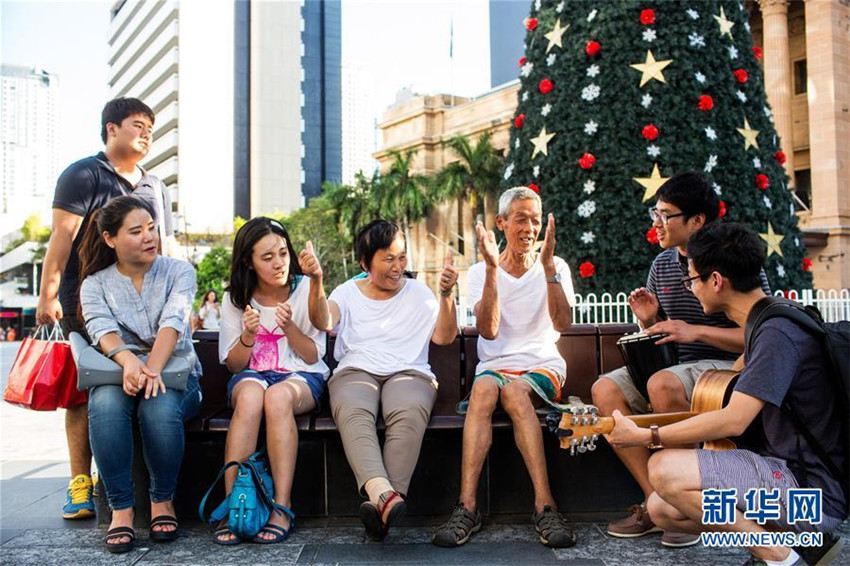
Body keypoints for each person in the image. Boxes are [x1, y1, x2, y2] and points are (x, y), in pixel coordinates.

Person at [608, 222, 848, 566]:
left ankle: (781, 558)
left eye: (692, 280)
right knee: (664, 509)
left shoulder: (776, 333)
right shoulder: (770, 319)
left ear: (717, 280)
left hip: (809, 496)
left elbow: (734, 420)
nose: (690, 289)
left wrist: (648, 435)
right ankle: (797, 543)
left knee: (663, 468)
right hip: (786, 480)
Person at [591, 172, 770, 547]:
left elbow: (761, 331)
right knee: (604, 388)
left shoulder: (731, 260)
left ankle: (682, 499)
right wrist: (650, 320)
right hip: (676, 363)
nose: (656, 223)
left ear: (697, 220)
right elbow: (666, 335)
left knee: (664, 382)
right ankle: (657, 502)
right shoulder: (662, 265)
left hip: (724, 367)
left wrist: (695, 330)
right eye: (654, 213)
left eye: (665, 214)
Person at [35, 97, 177, 520]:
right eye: (138, 125)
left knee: (141, 381)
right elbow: (61, 239)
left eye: (151, 128)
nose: (147, 134)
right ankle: (81, 481)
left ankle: (118, 475)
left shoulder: (156, 186)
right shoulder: (83, 174)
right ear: (111, 129)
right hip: (85, 300)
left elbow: (164, 246)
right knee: (86, 390)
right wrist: (48, 295)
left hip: (144, 303)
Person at [433, 186, 577, 549]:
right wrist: (495, 270)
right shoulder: (482, 271)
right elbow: (489, 330)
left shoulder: (555, 266)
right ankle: (467, 507)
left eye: (535, 219)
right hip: (496, 364)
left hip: (542, 364)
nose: (529, 228)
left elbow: (561, 324)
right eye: (520, 219)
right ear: (501, 223)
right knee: (483, 391)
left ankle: (545, 505)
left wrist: (547, 270)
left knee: (514, 393)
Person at [301, 219, 459, 540]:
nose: (397, 267)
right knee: (354, 410)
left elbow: (444, 336)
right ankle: (386, 497)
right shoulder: (346, 292)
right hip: (356, 372)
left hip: (409, 372)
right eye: (388, 258)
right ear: (365, 262)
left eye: (401, 257)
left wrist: (445, 294)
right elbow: (323, 319)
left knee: (409, 409)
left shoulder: (418, 293)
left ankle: (380, 502)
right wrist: (316, 280)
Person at [77, 196, 202, 553]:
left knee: (158, 406)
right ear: (110, 239)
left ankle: (163, 500)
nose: (149, 237)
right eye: (136, 231)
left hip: (177, 376)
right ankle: (121, 508)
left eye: (151, 228)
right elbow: (101, 327)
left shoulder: (179, 272)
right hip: (121, 374)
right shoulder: (95, 283)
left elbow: (173, 323)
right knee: (103, 404)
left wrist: (151, 370)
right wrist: (131, 364)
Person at [213, 218, 329, 545]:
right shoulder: (237, 298)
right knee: (251, 396)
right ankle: (231, 505)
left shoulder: (305, 288)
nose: (278, 263)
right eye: (267, 257)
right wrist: (248, 334)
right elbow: (235, 365)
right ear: (248, 261)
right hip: (252, 376)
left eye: (282, 253)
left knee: (277, 397)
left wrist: (291, 327)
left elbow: (311, 356)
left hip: (300, 377)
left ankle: (282, 505)